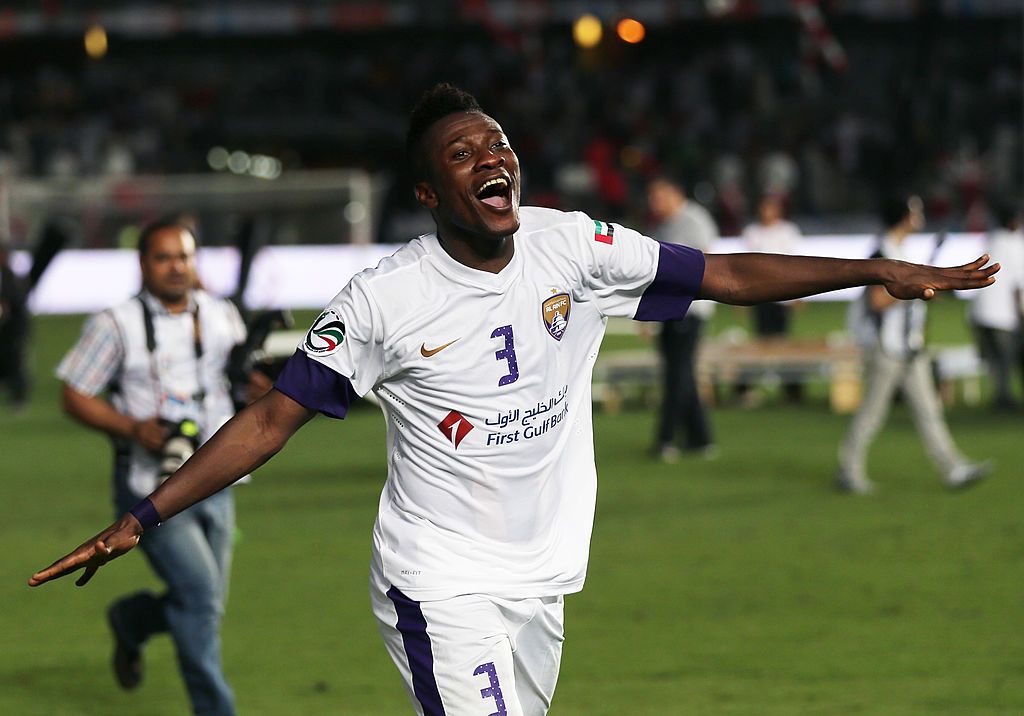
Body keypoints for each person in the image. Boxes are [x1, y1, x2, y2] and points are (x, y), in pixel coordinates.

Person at [31, 85, 999, 715]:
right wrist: (141, 516)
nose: (489, 154)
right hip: (436, 577)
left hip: (541, 574)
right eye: (461, 151)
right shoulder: (383, 298)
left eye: (494, 140)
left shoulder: (569, 244)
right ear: (427, 191)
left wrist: (873, 265)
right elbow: (272, 416)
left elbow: (729, 271)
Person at [53, 221, 248, 715]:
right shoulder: (115, 323)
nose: (176, 267)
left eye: (183, 256)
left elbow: (242, 384)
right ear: (142, 264)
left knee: (202, 602)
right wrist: (131, 427)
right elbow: (74, 393)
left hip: (217, 479)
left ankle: (133, 621)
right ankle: (215, 709)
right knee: (201, 597)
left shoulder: (222, 314)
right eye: (163, 258)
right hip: (150, 488)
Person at [837, 195, 994, 495]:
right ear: (903, 215)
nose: (919, 213)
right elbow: (877, 301)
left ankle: (953, 468)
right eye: (914, 208)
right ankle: (848, 470)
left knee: (929, 411)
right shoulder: (881, 252)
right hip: (887, 348)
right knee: (872, 414)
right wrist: (913, 288)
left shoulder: (898, 250)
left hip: (910, 346)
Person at [646, 176, 717, 460]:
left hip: (689, 310)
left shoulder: (694, 219)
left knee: (677, 375)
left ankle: (666, 439)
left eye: (658, 196)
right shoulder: (664, 224)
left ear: (674, 193)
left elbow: (707, 261)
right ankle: (700, 438)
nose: (653, 203)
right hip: (670, 309)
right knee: (681, 372)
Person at [739, 194, 805, 402]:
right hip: (759, 294)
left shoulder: (788, 231)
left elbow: (795, 263)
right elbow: (747, 265)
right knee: (760, 341)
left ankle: (792, 389)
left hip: (782, 295)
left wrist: (798, 293)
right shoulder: (752, 232)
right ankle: (745, 387)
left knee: (783, 341)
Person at [968, 203, 1023, 410]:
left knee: (994, 363)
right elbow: (1018, 284)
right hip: (1002, 315)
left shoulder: (990, 239)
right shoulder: (1015, 243)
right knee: (1007, 361)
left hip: (980, 312)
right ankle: (1004, 400)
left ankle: (1000, 397)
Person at [0, 242, 30, 409]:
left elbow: (8, 303)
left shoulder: (8, 276)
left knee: (15, 361)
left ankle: (19, 397)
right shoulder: (9, 275)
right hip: (10, 327)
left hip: (14, 328)